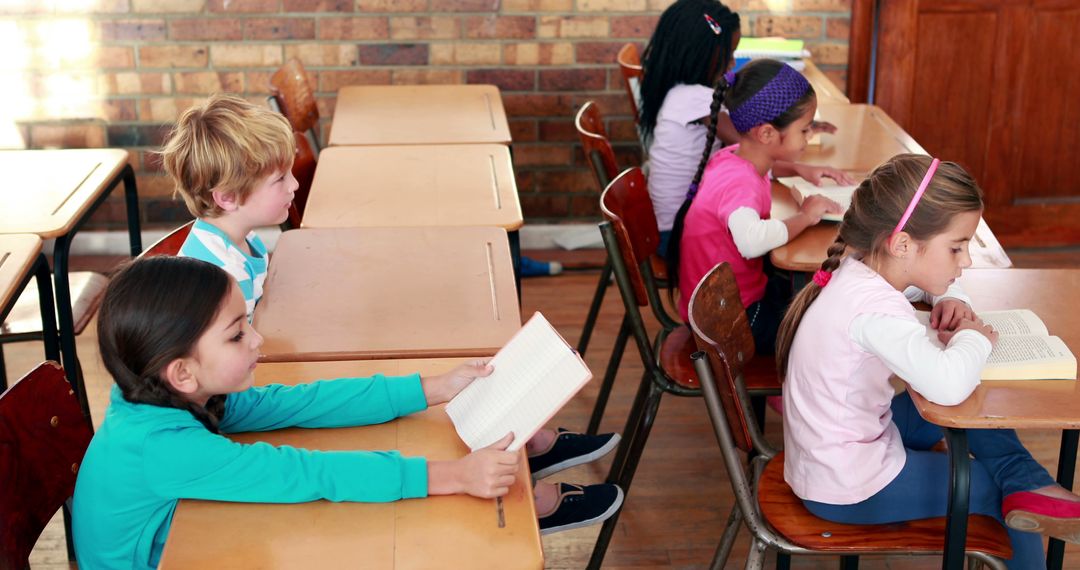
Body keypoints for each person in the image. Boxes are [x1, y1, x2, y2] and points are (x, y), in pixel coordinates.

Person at [159, 94, 622, 535]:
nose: (295, 185)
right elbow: (268, 428)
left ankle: (522, 453)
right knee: (404, 452)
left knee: (416, 410)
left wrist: (429, 386)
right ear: (226, 197)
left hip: (246, 398)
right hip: (240, 414)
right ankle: (516, 483)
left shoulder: (242, 247)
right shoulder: (212, 287)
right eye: (279, 180)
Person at [72, 256, 522, 569]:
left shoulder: (156, 391)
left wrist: (432, 388)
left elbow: (294, 402)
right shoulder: (163, 446)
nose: (257, 340)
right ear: (183, 372)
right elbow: (304, 472)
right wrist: (455, 477)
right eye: (236, 335)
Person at [775, 154, 1080, 569]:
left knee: (975, 415)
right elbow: (948, 384)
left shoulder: (863, 269)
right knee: (994, 490)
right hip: (844, 486)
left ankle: (1030, 483)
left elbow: (929, 288)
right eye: (956, 247)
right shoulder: (876, 313)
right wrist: (975, 337)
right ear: (901, 244)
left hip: (835, 448)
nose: (966, 260)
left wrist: (952, 298)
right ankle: (1024, 490)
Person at [668, 59, 846, 355]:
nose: (809, 136)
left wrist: (800, 169)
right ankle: (784, 391)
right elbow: (752, 241)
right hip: (730, 323)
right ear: (766, 134)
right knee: (823, 323)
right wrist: (805, 216)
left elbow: (767, 171)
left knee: (809, 293)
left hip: (716, 308)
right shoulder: (741, 184)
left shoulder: (733, 157)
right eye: (804, 130)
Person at [638, 0, 844, 254]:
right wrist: (792, 123)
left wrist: (797, 164)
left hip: (676, 224)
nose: (732, 62)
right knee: (785, 249)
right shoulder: (692, 98)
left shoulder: (683, 93)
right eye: (729, 52)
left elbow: (753, 149)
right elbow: (754, 140)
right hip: (675, 235)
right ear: (702, 52)